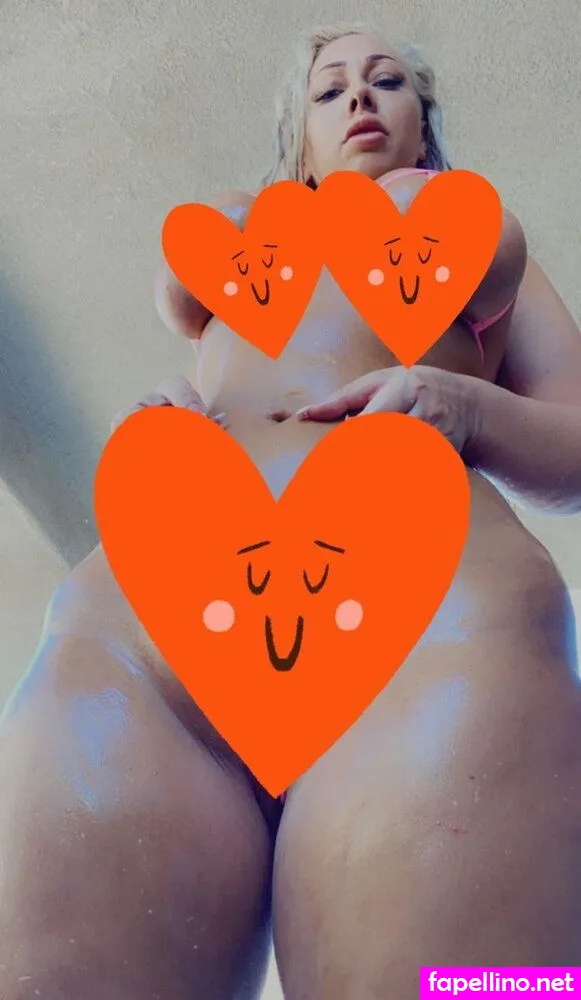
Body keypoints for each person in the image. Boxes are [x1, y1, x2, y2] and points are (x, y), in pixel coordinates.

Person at [2, 22, 581, 1000]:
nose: (357, 97)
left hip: (430, 611)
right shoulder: (248, 255)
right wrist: (170, 409)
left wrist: (463, 405)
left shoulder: (470, 240)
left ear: (424, 121)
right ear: (297, 135)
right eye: (328, 88)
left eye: (385, 80)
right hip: (156, 617)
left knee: (475, 988)